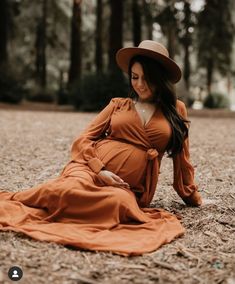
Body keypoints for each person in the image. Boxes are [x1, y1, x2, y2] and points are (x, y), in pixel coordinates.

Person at [0, 40, 202, 256]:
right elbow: (83, 139)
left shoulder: (176, 110)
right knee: (63, 190)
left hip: (126, 188)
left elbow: (183, 161)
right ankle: (22, 200)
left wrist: (193, 198)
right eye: (135, 77)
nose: (140, 84)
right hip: (89, 168)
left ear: (160, 78)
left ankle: (73, 213)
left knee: (119, 205)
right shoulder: (118, 105)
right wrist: (99, 169)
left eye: (147, 78)